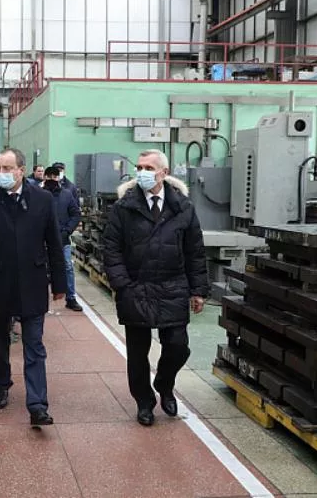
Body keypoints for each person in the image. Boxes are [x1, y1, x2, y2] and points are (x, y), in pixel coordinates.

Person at [103, 149, 209, 427]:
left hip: (173, 286)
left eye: (149, 168)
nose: (142, 172)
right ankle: (144, 402)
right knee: (138, 352)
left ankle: (164, 383)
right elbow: (111, 249)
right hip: (136, 287)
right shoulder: (124, 207)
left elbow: (195, 251)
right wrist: (121, 284)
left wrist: (198, 290)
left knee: (178, 346)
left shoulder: (183, 207)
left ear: (164, 172)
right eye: (139, 167)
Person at [0, 148, 67, 428]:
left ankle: (38, 405)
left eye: (8, 168)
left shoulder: (42, 200)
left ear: (21, 170)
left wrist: (60, 283)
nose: (2, 173)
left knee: (34, 344)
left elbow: (54, 242)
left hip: (32, 282)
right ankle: (2, 384)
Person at [42, 166, 82, 312]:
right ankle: (38, 300)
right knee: (38, 269)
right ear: (45, 177)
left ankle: (70, 298)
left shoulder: (66, 194)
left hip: (62, 239)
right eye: (49, 176)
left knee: (67, 267)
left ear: (59, 178)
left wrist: (66, 231)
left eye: (55, 176)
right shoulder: (37, 195)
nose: (52, 179)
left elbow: (75, 214)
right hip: (40, 241)